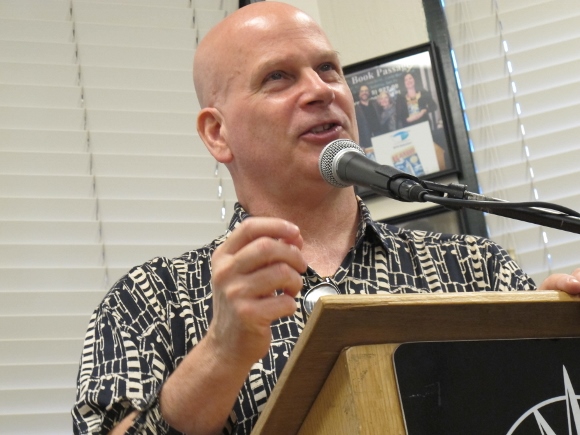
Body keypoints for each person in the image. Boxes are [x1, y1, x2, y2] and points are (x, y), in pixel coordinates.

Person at [72, 3, 580, 434]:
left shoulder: (477, 270)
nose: (322, 90)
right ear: (217, 134)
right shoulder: (148, 299)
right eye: (278, 77)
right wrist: (220, 354)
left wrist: (561, 344)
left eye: (329, 69)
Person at [354, 84, 380, 156]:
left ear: (369, 92)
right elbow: (356, 129)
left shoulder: (376, 104)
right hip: (366, 143)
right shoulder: (356, 110)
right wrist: (360, 145)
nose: (364, 93)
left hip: (380, 138)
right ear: (359, 94)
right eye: (362, 91)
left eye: (366, 91)